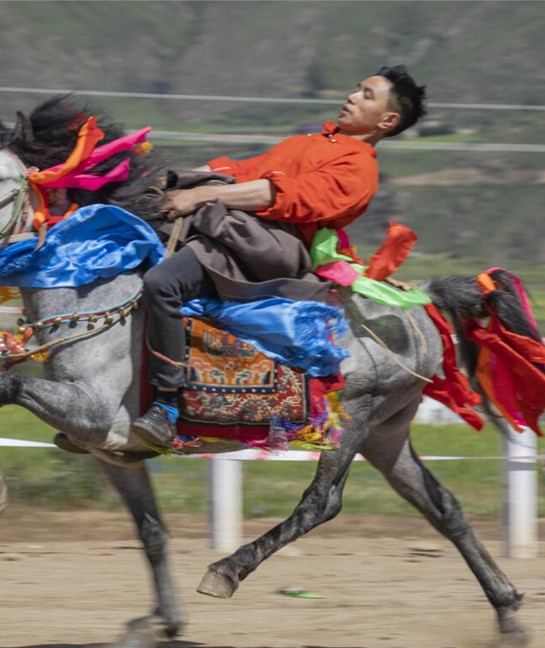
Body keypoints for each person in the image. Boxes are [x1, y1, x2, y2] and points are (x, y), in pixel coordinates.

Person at [133, 65, 427, 446]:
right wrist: (171, 179)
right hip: (236, 223)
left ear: (387, 120)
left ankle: (167, 406)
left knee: (163, 283)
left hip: (268, 243)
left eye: (366, 95)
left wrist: (201, 194)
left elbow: (284, 197)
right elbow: (243, 170)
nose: (352, 96)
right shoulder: (312, 141)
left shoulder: (359, 170)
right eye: (356, 89)